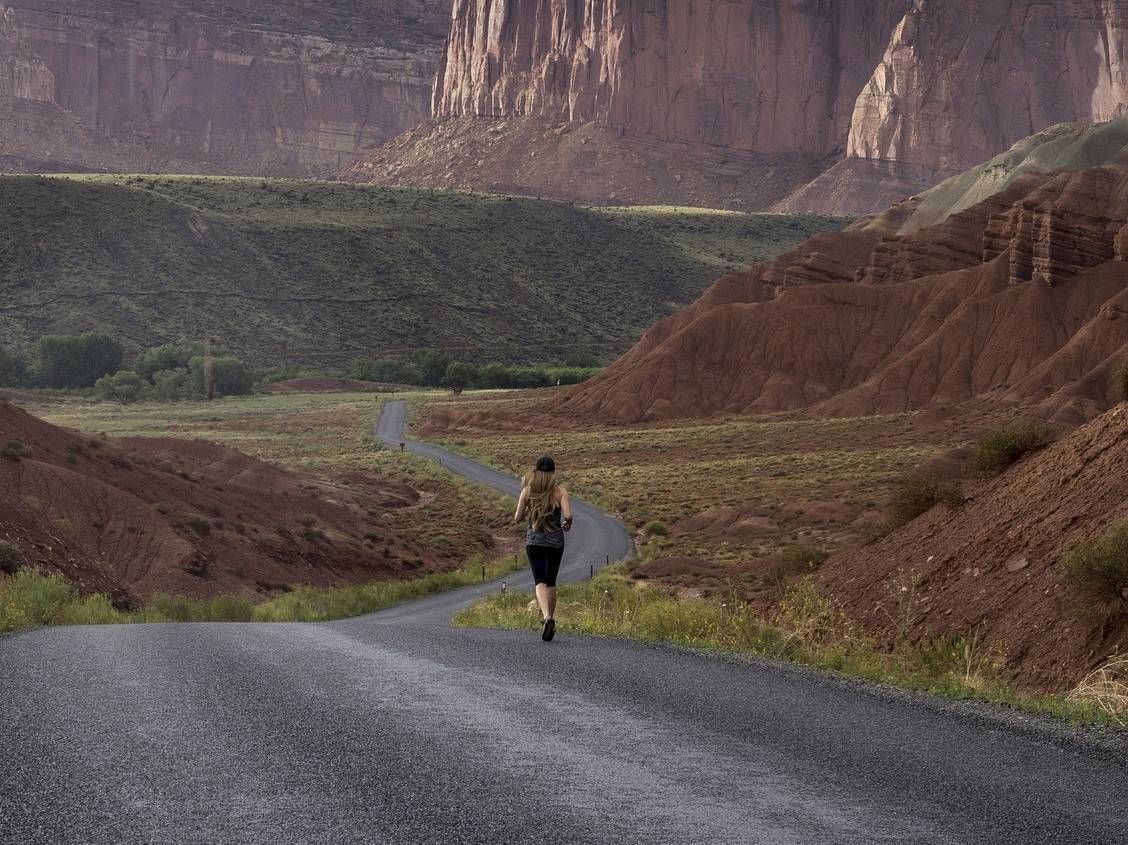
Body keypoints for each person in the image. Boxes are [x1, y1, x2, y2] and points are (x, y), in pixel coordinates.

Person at [514, 455, 573, 641]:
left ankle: (546, 618)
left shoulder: (527, 491)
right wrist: (566, 524)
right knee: (551, 581)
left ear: (536, 472)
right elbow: (568, 516)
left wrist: (528, 511)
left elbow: (517, 517)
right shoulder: (560, 491)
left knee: (539, 581)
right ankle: (551, 619)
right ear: (553, 472)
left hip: (534, 541)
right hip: (555, 542)